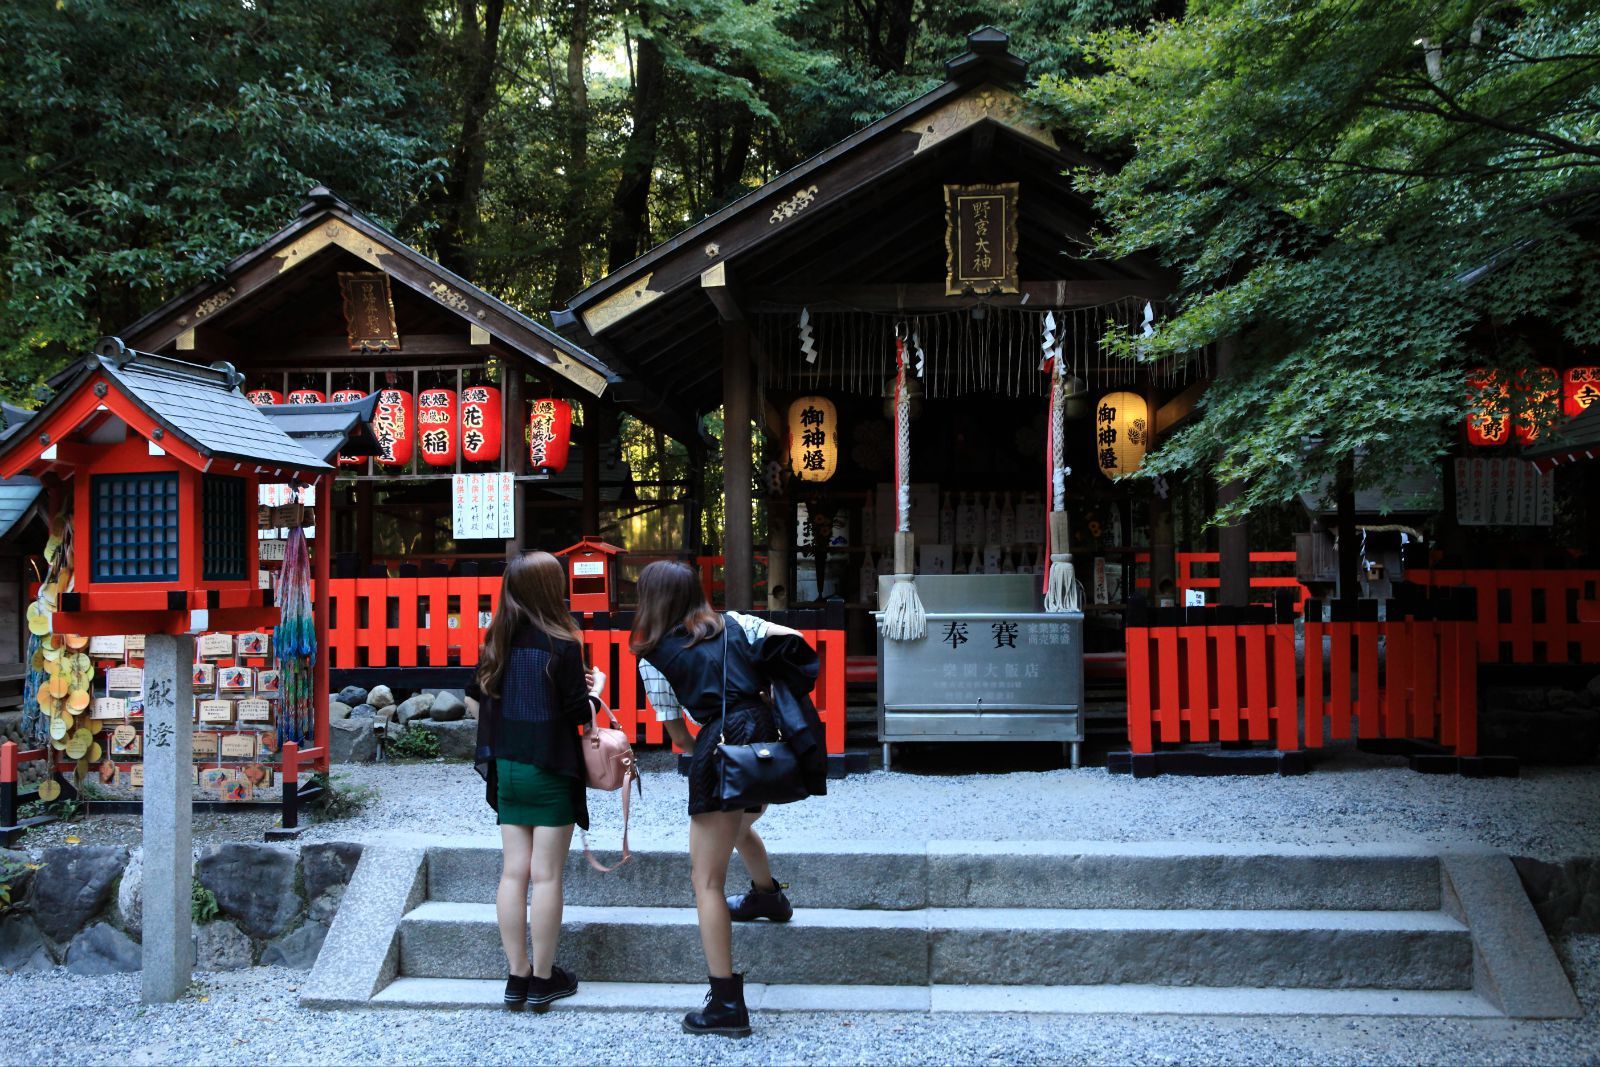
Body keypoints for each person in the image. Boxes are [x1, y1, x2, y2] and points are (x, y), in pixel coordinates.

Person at [630, 560, 827, 1038]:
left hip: (722, 749)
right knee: (738, 825)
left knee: (706, 880)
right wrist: (761, 684)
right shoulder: (740, 622)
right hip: (765, 741)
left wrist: (708, 738)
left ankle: (725, 1004)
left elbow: (678, 736)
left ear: (650, 601)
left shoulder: (654, 655)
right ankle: (768, 898)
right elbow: (795, 647)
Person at [470, 551, 603, 1012]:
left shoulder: (497, 640)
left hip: (508, 766)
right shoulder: (563, 644)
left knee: (513, 872)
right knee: (545, 877)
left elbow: (481, 700)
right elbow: (578, 715)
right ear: (552, 589)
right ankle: (545, 981)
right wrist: (596, 690)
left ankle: (516, 977)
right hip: (551, 768)